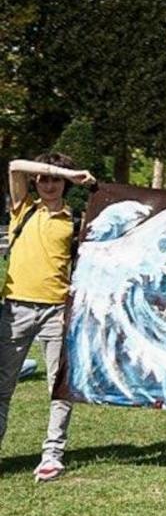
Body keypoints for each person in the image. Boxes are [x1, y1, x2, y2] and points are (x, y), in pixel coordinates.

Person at [2, 153, 95, 482]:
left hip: (57, 311)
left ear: (64, 186)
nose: (50, 184)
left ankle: (52, 455)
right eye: (45, 178)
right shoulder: (23, 208)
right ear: (36, 181)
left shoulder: (76, 218)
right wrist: (67, 171)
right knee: (2, 388)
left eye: (56, 180)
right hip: (15, 309)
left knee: (59, 388)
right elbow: (15, 166)